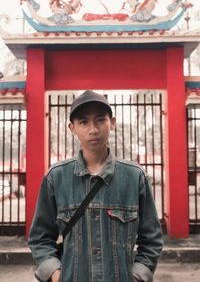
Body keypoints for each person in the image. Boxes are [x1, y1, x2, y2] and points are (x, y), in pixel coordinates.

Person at [28, 90, 163, 282]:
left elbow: (152, 239)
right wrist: (56, 275)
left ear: (112, 123)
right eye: (83, 122)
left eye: (100, 120)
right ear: (72, 128)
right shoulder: (56, 178)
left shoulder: (134, 177)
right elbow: (39, 237)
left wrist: (136, 276)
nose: (93, 129)